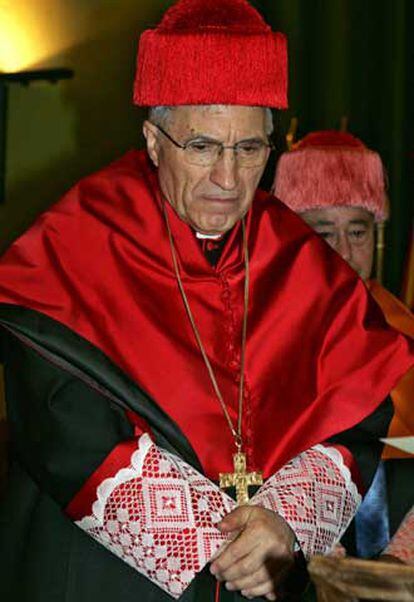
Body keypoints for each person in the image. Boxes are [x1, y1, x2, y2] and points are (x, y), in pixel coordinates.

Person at [0, 2, 413, 601]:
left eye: (250, 149)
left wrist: (283, 523)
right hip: (104, 574)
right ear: (153, 139)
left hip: (262, 571)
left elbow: (356, 415)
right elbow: (62, 418)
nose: (228, 178)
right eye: (201, 146)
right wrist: (214, 539)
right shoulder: (75, 243)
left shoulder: (301, 260)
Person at [273, 129, 414, 558]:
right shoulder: (266, 332)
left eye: (357, 233)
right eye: (324, 235)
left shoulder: (402, 330)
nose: (345, 254)